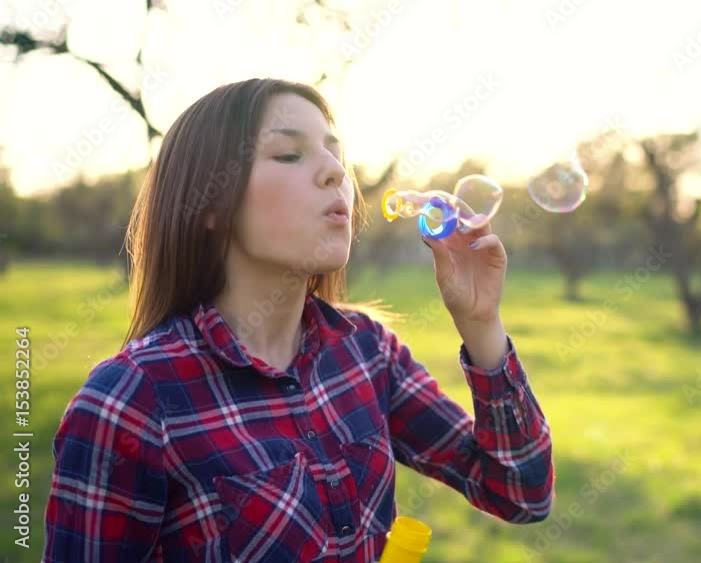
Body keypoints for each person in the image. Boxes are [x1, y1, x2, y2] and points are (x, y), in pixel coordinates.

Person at [43, 78, 554, 562]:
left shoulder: (367, 352)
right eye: (289, 154)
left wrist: (481, 323)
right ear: (209, 203)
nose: (335, 172)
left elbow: (520, 493)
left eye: (335, 152)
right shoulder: (129, 403)